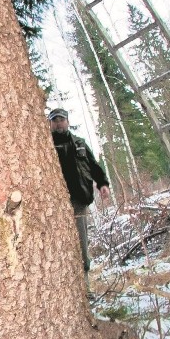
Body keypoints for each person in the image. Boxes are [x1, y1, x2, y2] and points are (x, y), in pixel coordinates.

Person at [49, 107, 110, 275]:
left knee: (81, 244)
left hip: (79, 201)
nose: (59, 123)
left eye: (62, 119)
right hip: (55, 203)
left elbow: (93, 166)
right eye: (55, 120)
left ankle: (86, 284)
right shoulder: (46, 145)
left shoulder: (79, 143)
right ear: (50, 124)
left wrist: (103, 184)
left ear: (67, 122)